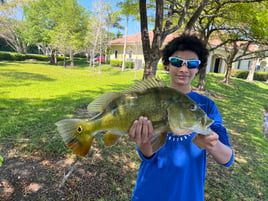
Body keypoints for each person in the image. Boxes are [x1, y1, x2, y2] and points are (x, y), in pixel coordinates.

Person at [128, 34, 234, 201]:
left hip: (188, 195)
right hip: (148, 193)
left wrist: (213, 144)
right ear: (167, 65)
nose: (183, 69)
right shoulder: (151, 98)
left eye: (192, 64)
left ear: (198, 68)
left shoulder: (206, 107)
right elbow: (148, 155)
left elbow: (227, 158)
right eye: (177, 62)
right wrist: (144, 142)